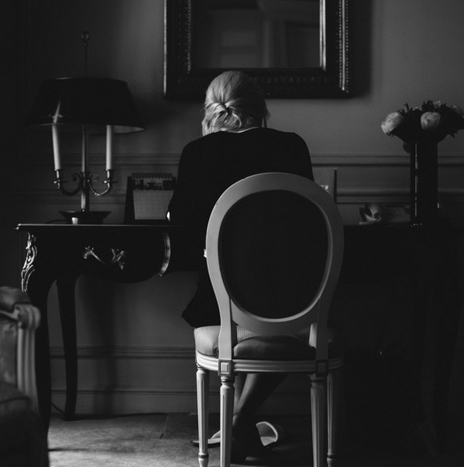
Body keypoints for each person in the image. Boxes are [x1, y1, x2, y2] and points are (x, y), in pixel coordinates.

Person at [167, 70, 314, 461]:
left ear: (211, 108)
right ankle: (241, 419)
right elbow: (308, 221)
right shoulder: (292, 146)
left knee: (236, 310)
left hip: (221, 296)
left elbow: (180, 224)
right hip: (290, 300)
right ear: (259, 106)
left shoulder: (197, 153)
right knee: (285, 330)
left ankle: (236, 419)